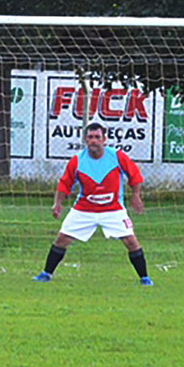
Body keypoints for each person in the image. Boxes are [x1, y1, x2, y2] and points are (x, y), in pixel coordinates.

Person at [33, 122, 152, 285]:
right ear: (85, 140)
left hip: (113, 209)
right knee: (62, 239)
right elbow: (64, 184)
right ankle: (46, 274)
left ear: (104, 139)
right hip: (84, 209)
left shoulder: (117, 157)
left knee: (130, 241)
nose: (94, 141)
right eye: (90, 137)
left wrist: (136, 195)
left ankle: (144, 278)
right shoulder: (77, 161)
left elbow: (135, 175)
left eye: (97, 137)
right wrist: (57, 204)